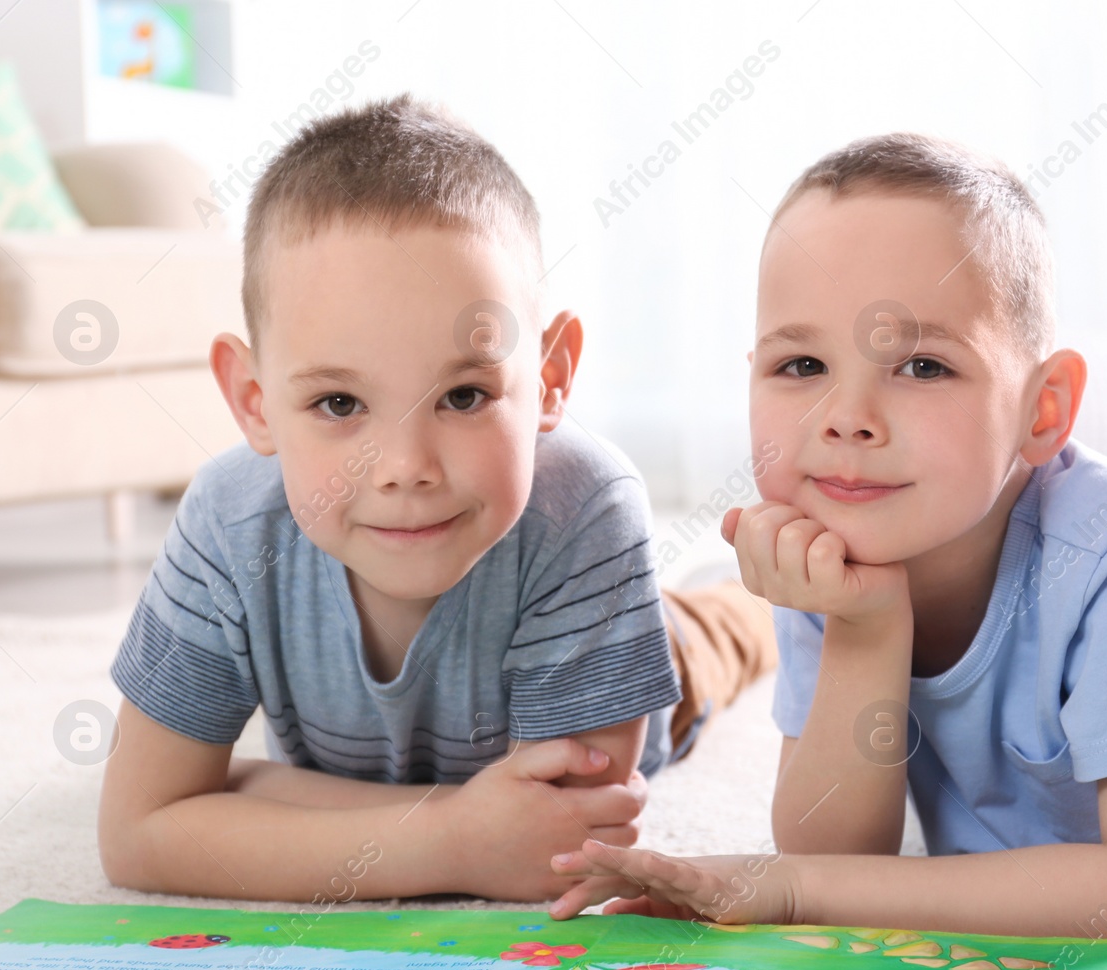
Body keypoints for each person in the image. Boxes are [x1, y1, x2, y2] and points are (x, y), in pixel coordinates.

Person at [547, 133, 1107, 942]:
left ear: (1043, 409)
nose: (845, 418)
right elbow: (837, 848)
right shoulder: (835, 533)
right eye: (801, 365)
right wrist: (865, 627)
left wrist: (793, 890)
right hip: (1063, 537)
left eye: (922, 366)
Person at [98, 96, 775, 905]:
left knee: (723, 629)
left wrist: (246, 798)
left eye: (462, 395)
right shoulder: (227, 521)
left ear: (551, 378)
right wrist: (454, 838)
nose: (407, 469)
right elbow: (137, 830)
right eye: (340, 405)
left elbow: (561, 830)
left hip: (649, 645)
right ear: (251, 399)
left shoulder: (586, 506)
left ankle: (739, 606)